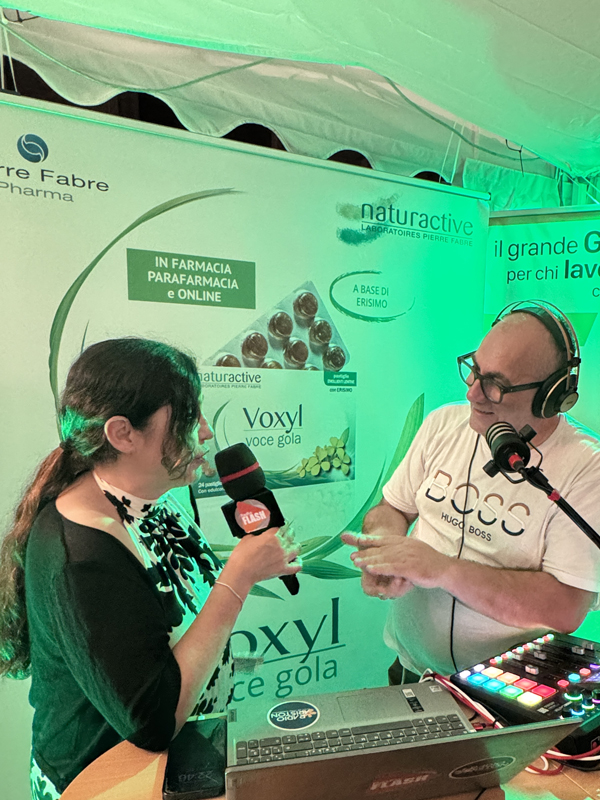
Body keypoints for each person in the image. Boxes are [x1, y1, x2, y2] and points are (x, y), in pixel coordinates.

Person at [0, 338, 301, 799]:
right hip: (106, 782)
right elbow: (154, 722)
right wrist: (238, 578)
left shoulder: (157, 497)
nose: (206, 431)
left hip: (184, 766)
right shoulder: (82, 554)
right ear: (123, 434)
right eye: (188, 417)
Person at [342, 301, 600, 681]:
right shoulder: (442, 423)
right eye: (474, 371)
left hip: (508, 691)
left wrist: (443, 570)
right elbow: (392, 508)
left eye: (495, 384)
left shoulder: (588, 468)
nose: (473, 394)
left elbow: (565, 607)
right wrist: (385, 550)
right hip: (411, 670)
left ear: (550, 396)